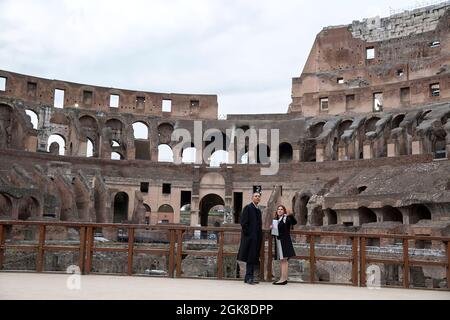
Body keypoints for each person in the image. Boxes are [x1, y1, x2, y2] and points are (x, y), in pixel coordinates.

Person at [237, 192, 263, 285]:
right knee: (250, 258)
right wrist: (249, 235)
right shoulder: (248, 208)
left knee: (253, 258)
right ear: (252, 198)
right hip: (250, 238)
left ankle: (249, 277)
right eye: (256, 196)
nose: (257, 198)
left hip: (256, 238)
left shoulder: (258, 210)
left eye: (259, 196)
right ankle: (249, 277)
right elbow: (243, 223)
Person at [271, 205, 297, 285]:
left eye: (281, 209)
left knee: (284, 260)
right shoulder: (276, 220)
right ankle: (283, 279)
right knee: (283, 260)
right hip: (279, 242)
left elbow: (294, 222)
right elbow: (274, 233)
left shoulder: (286, 218)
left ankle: (283, 279)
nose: (280, 210)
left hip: (285, 242)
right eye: (278, 209)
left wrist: (291, 215)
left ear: (284, 211)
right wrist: (271, 228)